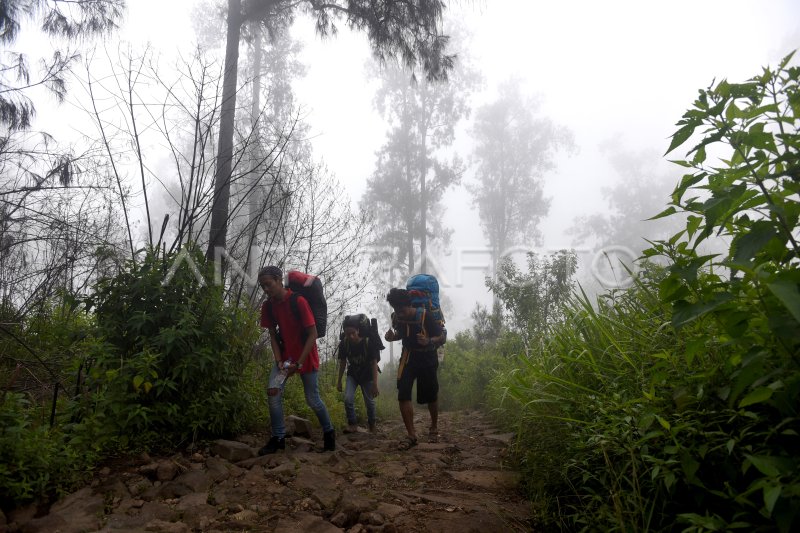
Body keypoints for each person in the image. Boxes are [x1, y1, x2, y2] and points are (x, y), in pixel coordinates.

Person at [258, 265, 335, 454]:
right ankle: (278, 438)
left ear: (278, 280)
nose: (266, 289)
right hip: (285, 358)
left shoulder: (298, 301)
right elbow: (273, 336)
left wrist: (299, 363)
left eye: (268, 284)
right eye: (262, 287)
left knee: (313, 399)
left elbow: (312, 334)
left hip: (306, 357)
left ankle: (329, 434)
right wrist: (278, 361)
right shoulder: (268, 306)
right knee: (273, 392)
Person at [384, 287, 445, 450]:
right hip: (408, 357)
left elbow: (442, 336)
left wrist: (429, 341)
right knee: (403, 394)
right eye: (396, 309)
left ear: (409, 305)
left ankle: (433, 427)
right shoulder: (396, 317)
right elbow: (401, 334)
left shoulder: (425, 315)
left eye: (402, 309)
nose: (399, 313)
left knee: (431, 395)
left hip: (427, 357)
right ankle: (411, 435)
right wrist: (391, 337)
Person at [336, 320, 380, 433]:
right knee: (347, 399)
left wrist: (375, 384)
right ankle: (352, 424)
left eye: (353, 333)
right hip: (353, 374)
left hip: (367, 375)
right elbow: (343, 363)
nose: (351, 336)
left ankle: (372, 425)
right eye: (347, 334)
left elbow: (374, 363)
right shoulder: (344, 343)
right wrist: (339, 380)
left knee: (369, 402)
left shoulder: (367, 343)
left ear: (358, 331)